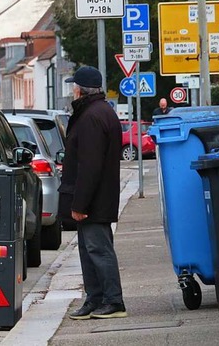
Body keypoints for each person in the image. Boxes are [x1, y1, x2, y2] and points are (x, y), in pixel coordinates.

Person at [59, 66, 127, 320]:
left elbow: (89, 165)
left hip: (94, 200)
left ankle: (113, 300)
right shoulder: (100, 112)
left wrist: (80, 203)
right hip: (97, 198)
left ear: (80, 89)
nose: (72, 91)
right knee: (90, 251)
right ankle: (95, 299)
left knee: (98, 250)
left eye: (73, 86)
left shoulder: (91, 117)